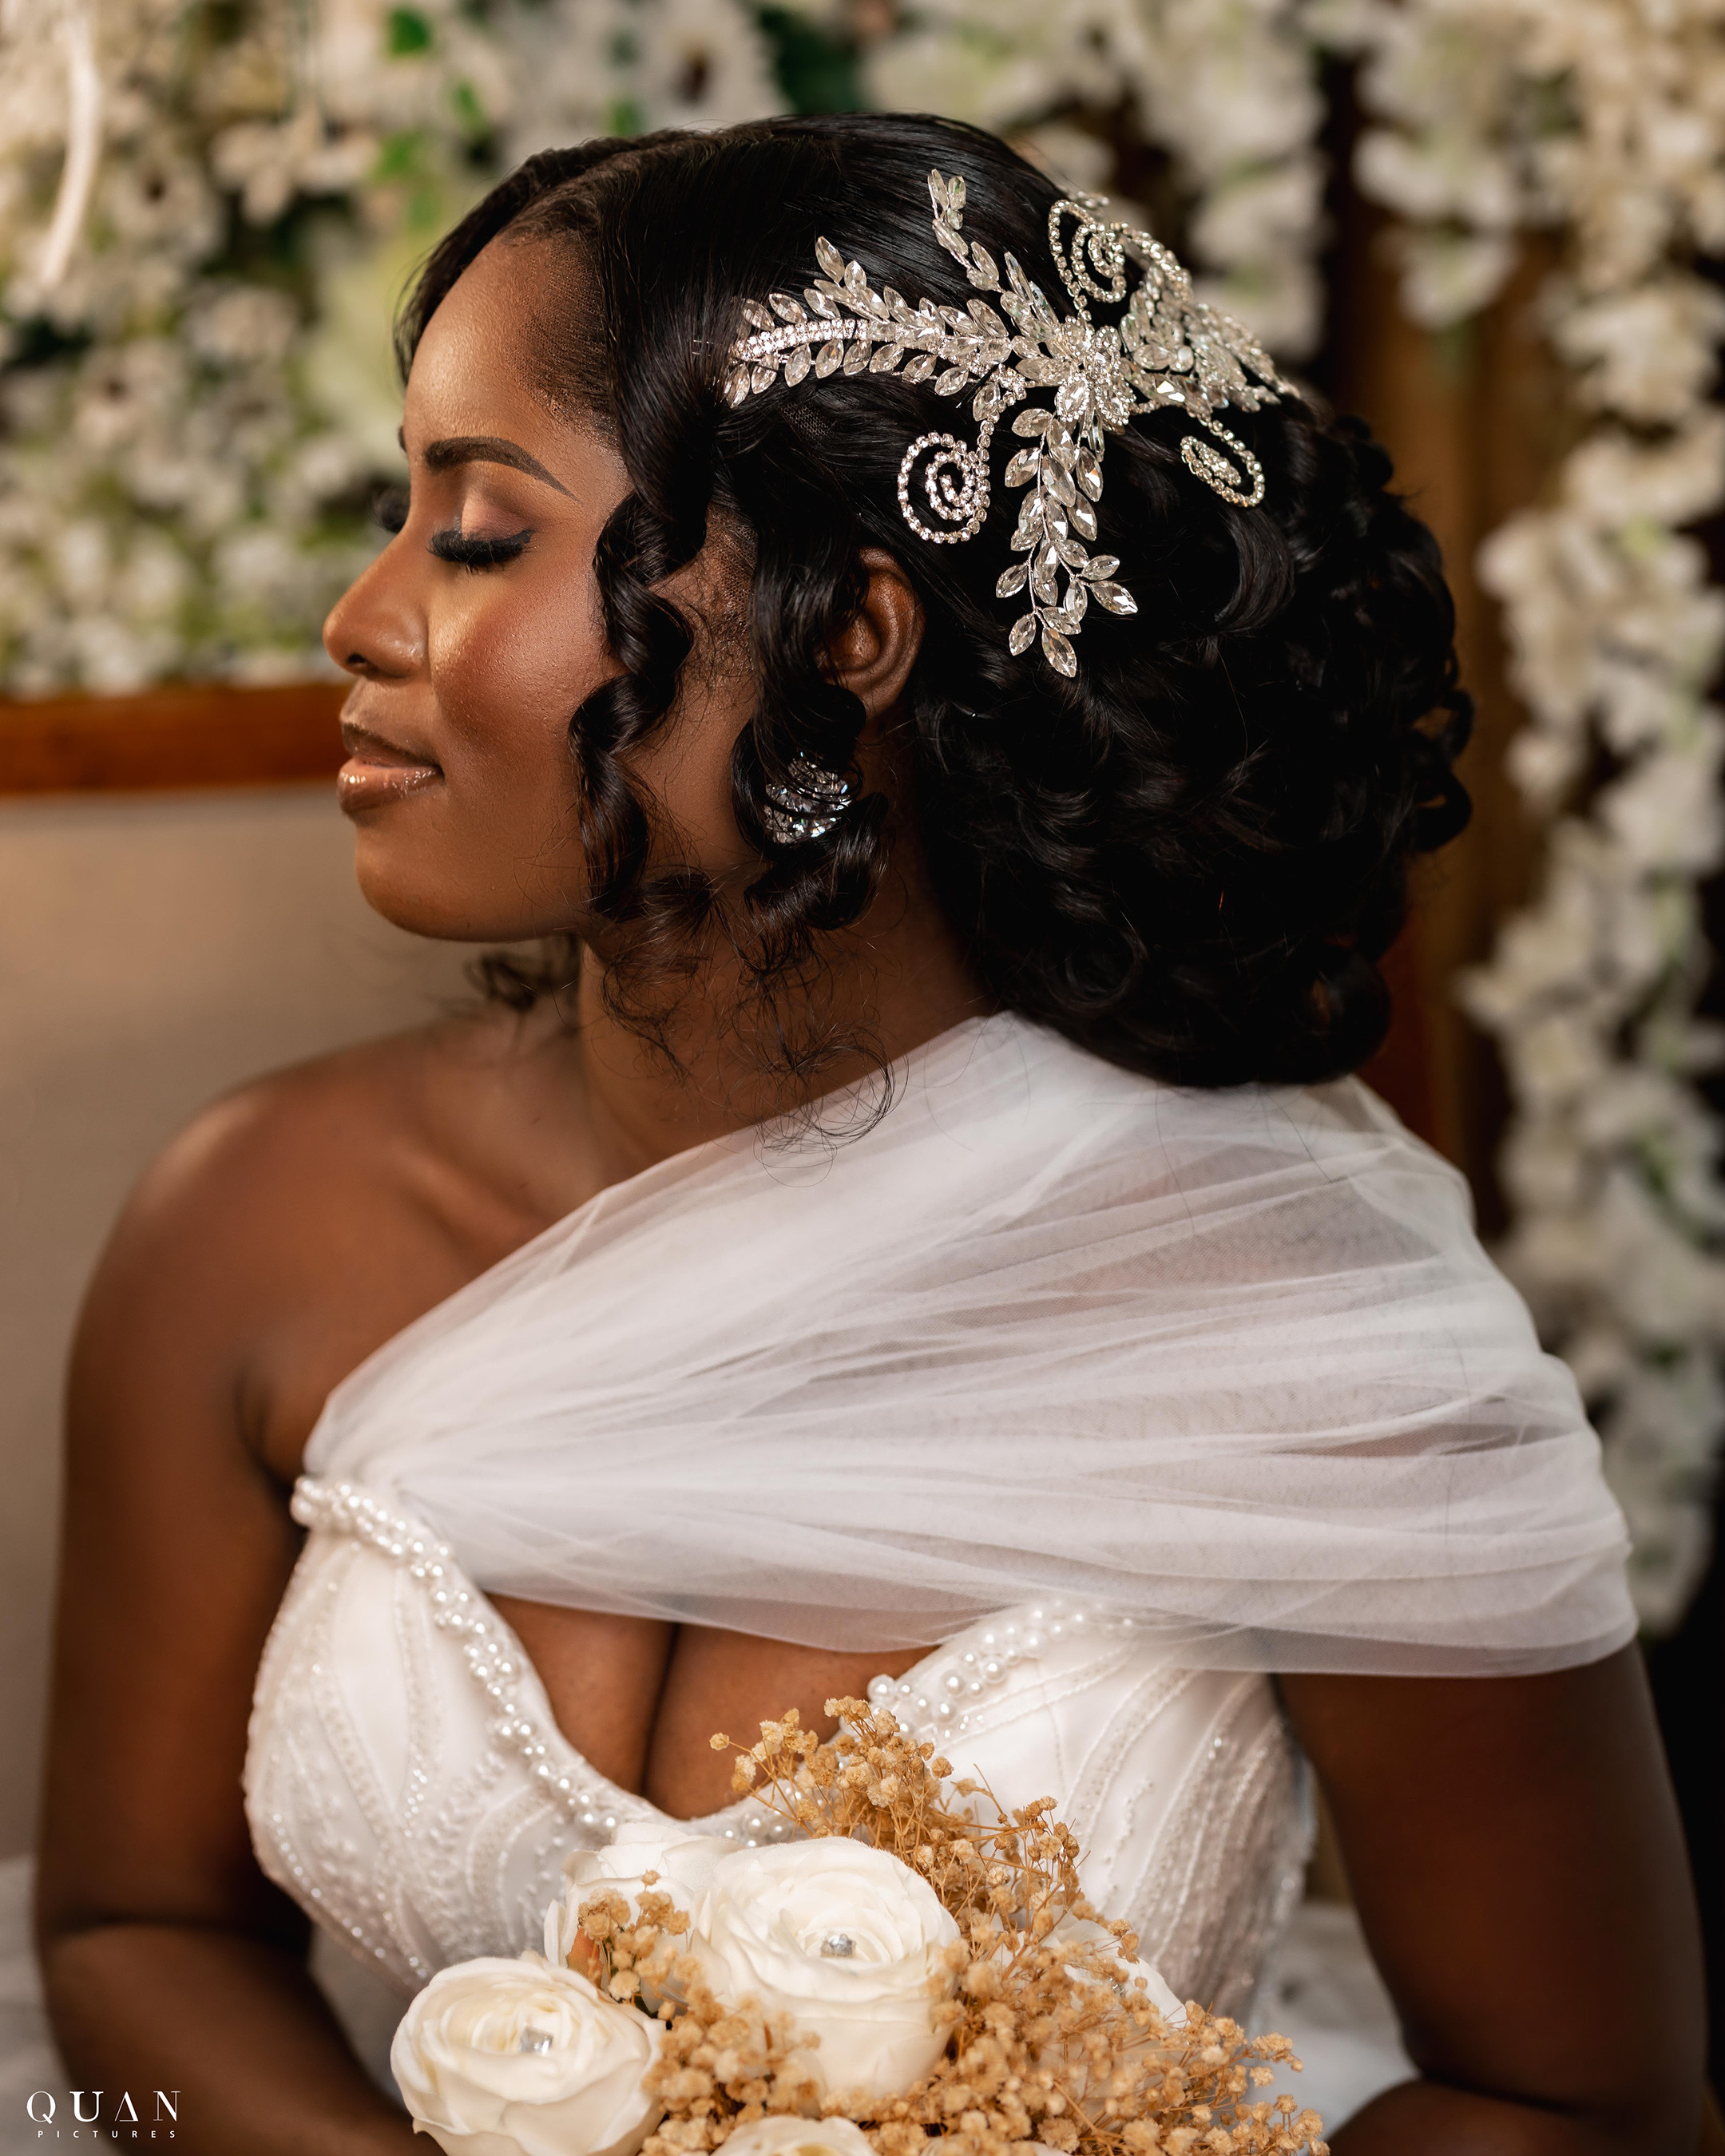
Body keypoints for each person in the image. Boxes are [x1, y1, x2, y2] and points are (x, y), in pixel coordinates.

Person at [36, 112, 1704, 2154]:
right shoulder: (261, 1226)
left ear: (848, 637)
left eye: (475, 535)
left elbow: (1584, 2112)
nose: (360, 616)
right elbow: (132, 1926)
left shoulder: (1303, 1330)